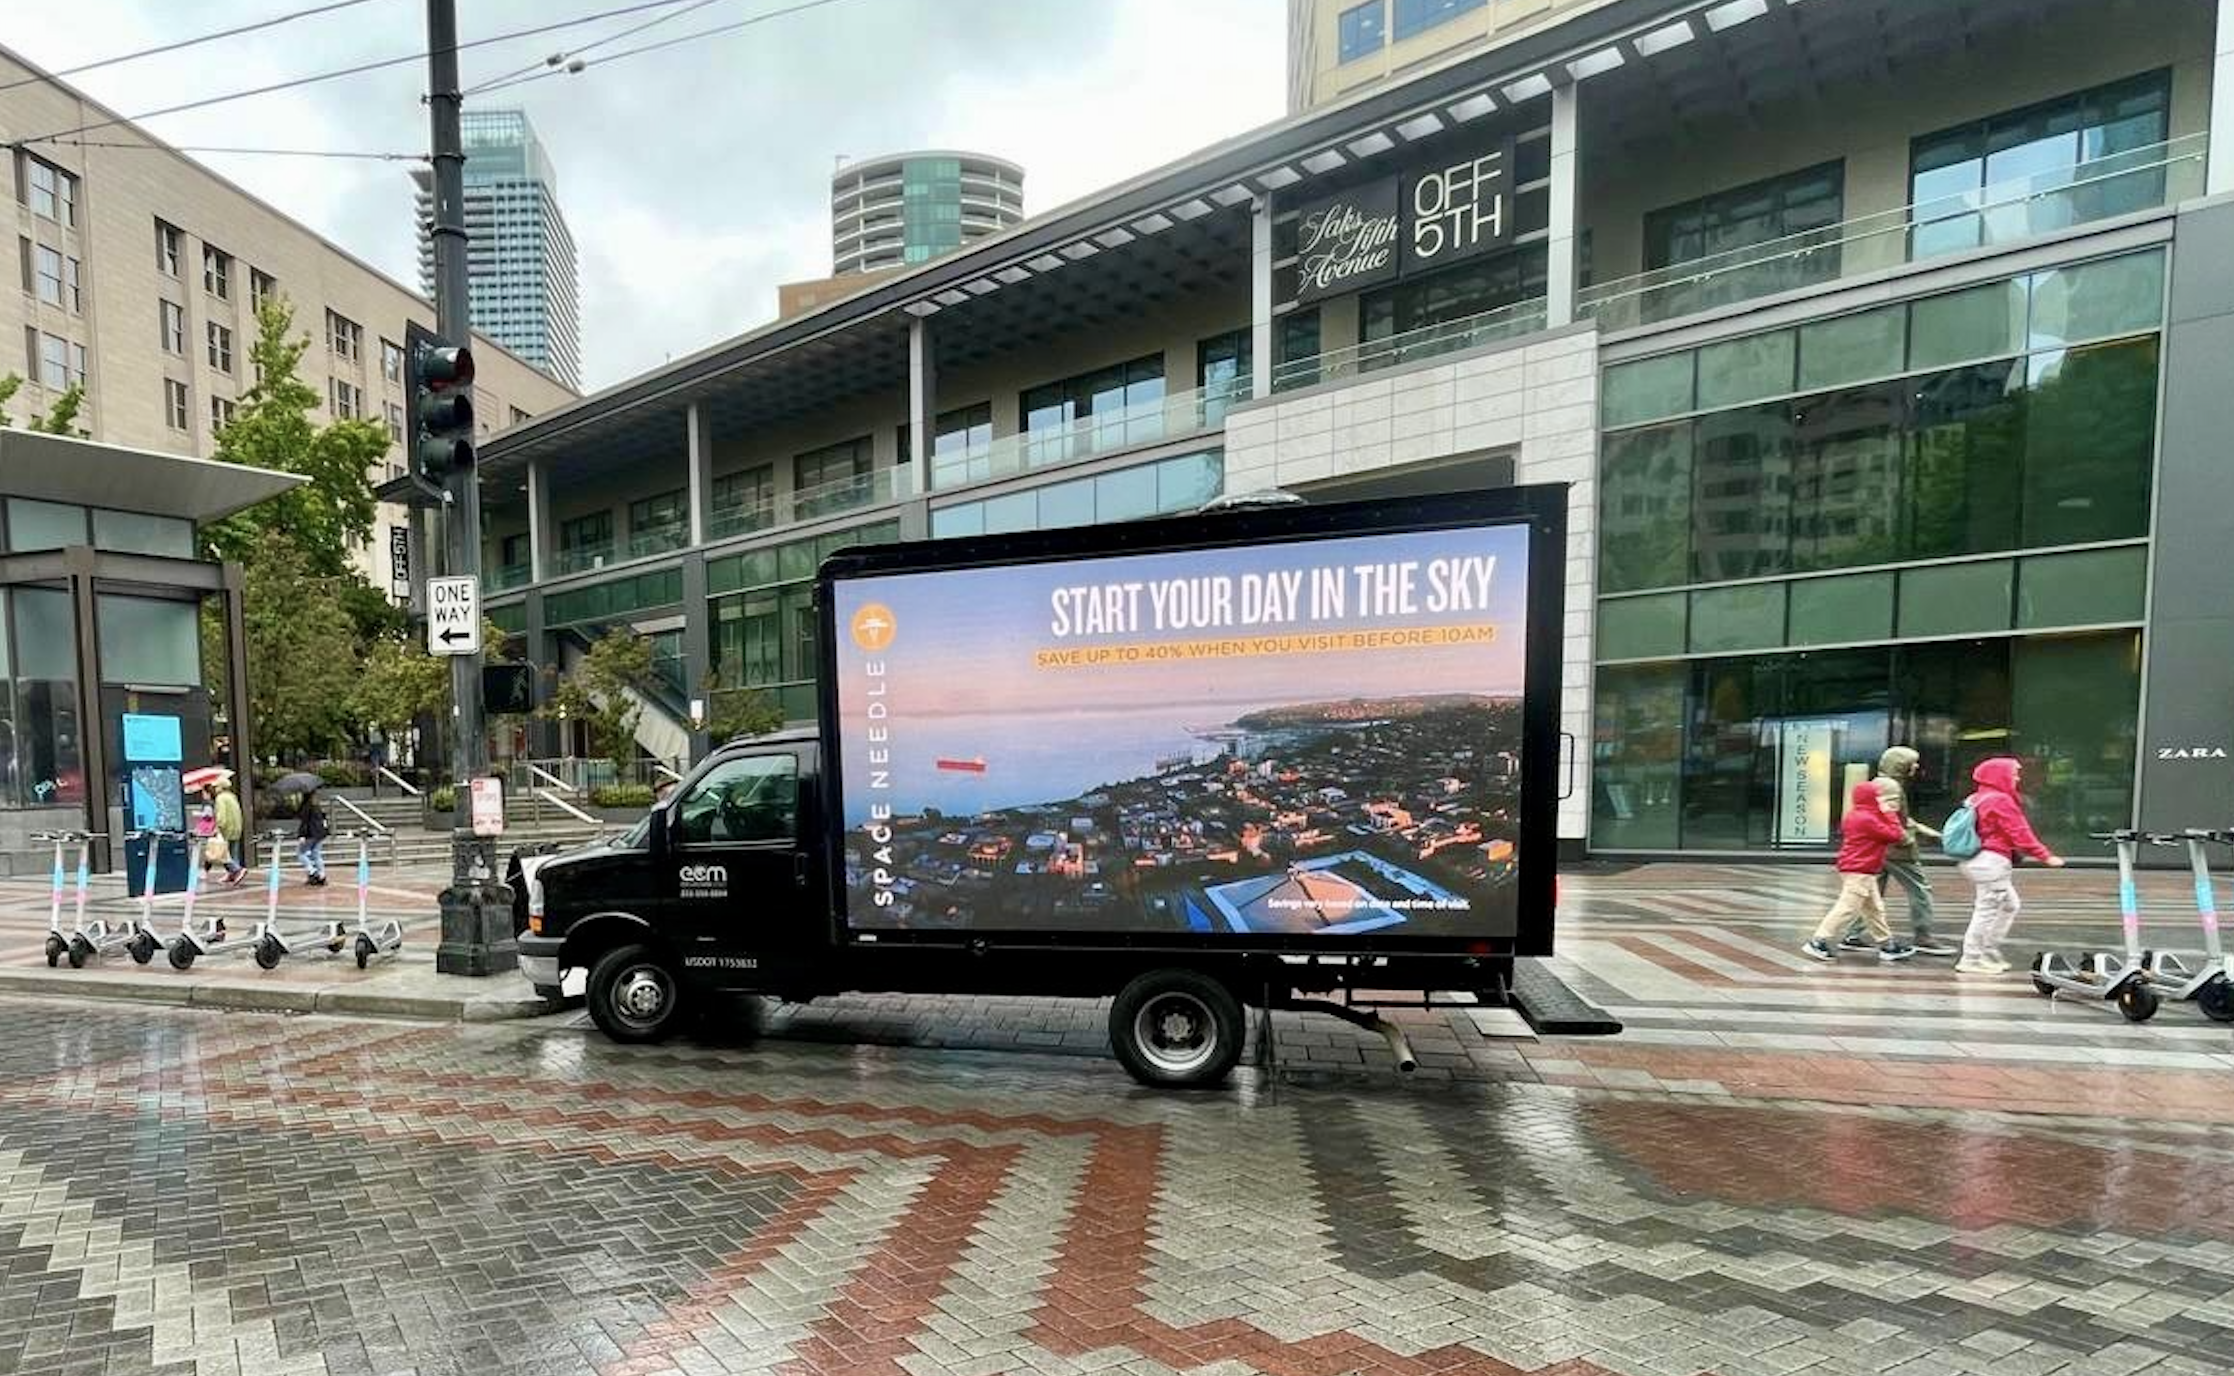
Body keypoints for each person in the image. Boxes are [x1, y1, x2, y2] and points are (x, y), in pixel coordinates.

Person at [1954, 757, 2063, 975]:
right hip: (1992, 860)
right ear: (1999, 776)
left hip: (1976, 859)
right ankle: (1972, 958)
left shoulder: (1976, 798)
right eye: (2013, 773)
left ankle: (1986, 951)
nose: (2017, 777)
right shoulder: (2000, 800)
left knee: (2009, 904)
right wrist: (2045, 856)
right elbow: (2019, 832)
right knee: (1986, 910)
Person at [1841, 747, 1954, 957]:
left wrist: (1928, 833)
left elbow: (1900, 819)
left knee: (1870, 893)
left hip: (1881, 848)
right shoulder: (1890, 786)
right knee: (1920, 890)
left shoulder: (1882, 783)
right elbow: (1890, 818)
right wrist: (1906, 838)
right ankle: (1923, 935)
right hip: (1897, 850)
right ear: (1900, 764)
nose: (1917, 766)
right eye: (1913, 762)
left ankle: (1853, 933)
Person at [1801, 780, 1917, 964]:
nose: (1881, 801)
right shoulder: (1868, 819)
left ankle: (1887, 945)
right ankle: (1818, 940)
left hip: (1860, 868)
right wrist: (1890, 813)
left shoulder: (1856, 814)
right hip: (1860, 869)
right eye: (1878, 797)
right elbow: (1896, 836)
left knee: (1874, 909)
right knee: (1847, 907)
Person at [208, 779, 246, 887]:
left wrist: (217, 828)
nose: (214, 789)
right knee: (233, 853)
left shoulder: (220, 798)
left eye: (216, 786)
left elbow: (221, 816)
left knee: (223, 854)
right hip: (236, 829)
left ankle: (237, 870)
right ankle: (232, 874)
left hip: (226, 830)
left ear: (220, 787)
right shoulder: (232, 797)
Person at [297, 787, 330, 887]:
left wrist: (302, 835)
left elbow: (305, 822)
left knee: (301, 853)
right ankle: (322, 874)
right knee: (316, 854)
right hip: (320, 834)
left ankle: (312, 871)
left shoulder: (307, 807)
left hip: (310, 834)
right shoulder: (317, 806)